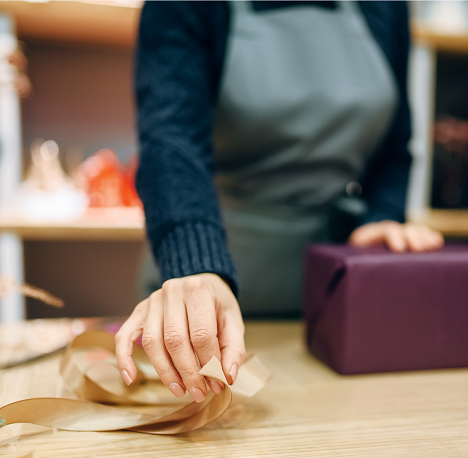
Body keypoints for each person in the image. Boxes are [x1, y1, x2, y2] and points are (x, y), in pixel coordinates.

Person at [114, 1, 444, 403]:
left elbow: (395, 147)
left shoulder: (387, 8)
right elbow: (171, 144)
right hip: (204, 293)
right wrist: (195, 266)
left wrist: (382, 215)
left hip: (331, 306)